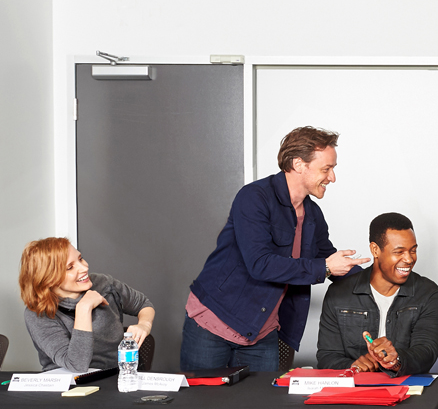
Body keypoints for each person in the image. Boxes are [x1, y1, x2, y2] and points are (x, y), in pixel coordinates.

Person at [180, 126, 369, 372]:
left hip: (262, 331)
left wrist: (378, 280)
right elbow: (260, 264)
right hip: (214, 322)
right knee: (202, 397)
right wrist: (325, 267)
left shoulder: (313, 214)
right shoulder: (254, 197)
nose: (332, 177)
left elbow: (329, 261)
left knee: (261, 398)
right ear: (299, 164)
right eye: (326, 169)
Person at [317, 213, 438, 375]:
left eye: (413, 250)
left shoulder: (428, 294)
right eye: (399, 252)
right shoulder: (339, 293)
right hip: (354, 387)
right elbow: (327, 357)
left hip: (407, 387)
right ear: (375, 250)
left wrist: (396, 361)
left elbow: (427, 352)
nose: (409, 259)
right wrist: (354, 366)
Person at [19, 237, 155, 373]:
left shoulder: (104, 284)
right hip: (67, 381)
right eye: (70, 267)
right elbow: (77, 365)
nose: (84, 267)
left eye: (80, 259)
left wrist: (145, 325)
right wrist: (84, 308)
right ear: (48, 279)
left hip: (114, 376)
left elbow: (143, 304)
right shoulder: (38, 313)